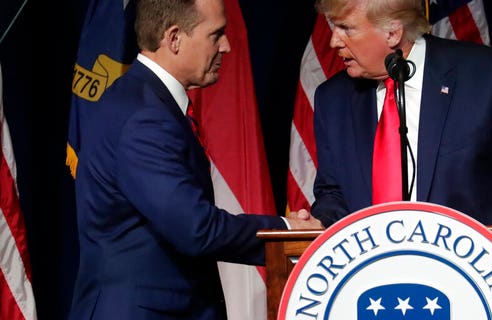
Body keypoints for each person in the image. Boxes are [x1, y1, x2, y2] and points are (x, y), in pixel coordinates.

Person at [309, 0, 492, 319]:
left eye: (346, 28)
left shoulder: (486, 77)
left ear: (392, 32)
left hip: (486, 296)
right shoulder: (332, 99)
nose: (333, 41)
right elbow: (333, 193)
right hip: (378, 297)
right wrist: (320, 219)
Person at [68, 0, 322, 319]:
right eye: (216, 35)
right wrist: (287, 231)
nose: (226, 46)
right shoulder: (144, 117)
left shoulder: (142, 100)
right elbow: (196, 228)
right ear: (174, 38)